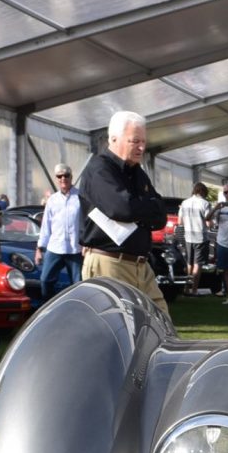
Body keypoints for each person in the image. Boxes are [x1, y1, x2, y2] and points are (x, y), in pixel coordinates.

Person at [76, 110, 170, 314]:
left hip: (140, 265)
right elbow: (122, 208)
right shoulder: (99, 169)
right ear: (114, 138)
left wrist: (139, 206)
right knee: (117, 332)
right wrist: (145, 205)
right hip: (109, 263)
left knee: (162, 322)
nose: (142, 147)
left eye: (143, 141)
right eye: (135, 141)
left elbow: (160, 216)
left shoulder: (138, 172)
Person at [34, 163, 84, 299]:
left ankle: (78, 310)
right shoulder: (52, 200)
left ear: (71, 177)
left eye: (66, 175)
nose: (63, 179)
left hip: (75, 248)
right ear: (56, 179)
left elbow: (87, 223)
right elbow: (46, 225)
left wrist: (87, 244)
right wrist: (39, 248)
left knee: (78, 284)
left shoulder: (81, 197)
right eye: (59, 176)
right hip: (55, 247)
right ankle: (49, 307)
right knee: (45, 280)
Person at [179, 182, 212, 295]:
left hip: (188, 236)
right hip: (200, 237)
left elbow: (180, 222)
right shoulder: (205, 203)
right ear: (202, 191)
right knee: (198, 264)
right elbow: (209, 224)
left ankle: (186, 288)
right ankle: (194, 289)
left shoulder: (184, 203)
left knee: (189, 263)